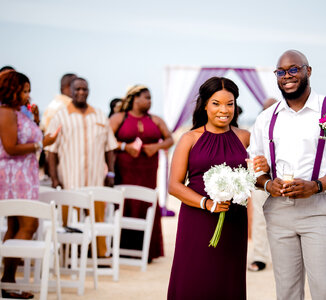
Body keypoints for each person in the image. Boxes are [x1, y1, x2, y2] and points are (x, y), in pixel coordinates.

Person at [249, 50, 326, 300]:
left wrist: (315, 186)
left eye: (293, 69)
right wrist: (267, 184)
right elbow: (254, 166)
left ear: (308, 71)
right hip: (278, 212)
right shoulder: (266, 119)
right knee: (286, 291)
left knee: (324, 290)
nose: (287, 76)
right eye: (281, 72)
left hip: (319, 211)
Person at [167, 77, 251, 299]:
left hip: (234, 221)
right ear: (204, 104)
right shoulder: (189, 139)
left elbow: (260, 173)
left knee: (227, 279)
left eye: (229, 103)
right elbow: (174, 185)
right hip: (197, 220)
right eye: (216, 103)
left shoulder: (244, 138)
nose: (224, 110)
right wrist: (207, 203)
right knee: (195, 278)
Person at [0, 70, 59, 299]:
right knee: (29, 224)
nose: (27, 95)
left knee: (15, 227)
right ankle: (8, 279)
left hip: (25, 175)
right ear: (12, 90)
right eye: (24, 91)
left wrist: (34, 121)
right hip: (14, 176)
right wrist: (41, 143)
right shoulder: (5, 113)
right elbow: (11, 147)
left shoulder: (18, 112)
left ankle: (8, 281)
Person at [45, 77, 117, 258]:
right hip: (70, 181)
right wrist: (54, 178)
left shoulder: (100, 115)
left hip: (96, 181)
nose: (81, 92)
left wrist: (110, 172)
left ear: (89, 90)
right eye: (77, 89)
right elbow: (51, 151)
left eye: (84, 89)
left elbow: (110, 148)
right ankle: (69, 256)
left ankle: (98, 255)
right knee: (69, 222)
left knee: (97, 219)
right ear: (70, 90)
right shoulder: (60, 116)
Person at [109, 85, 173, 262]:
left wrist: (156, 146)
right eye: (147, 97)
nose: (150, 101)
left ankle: (148, 252)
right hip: (125, 170)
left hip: (148, 171)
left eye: (151, 98)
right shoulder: (119, 118)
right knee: (126, 205)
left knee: (147, 204)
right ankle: (123, 249)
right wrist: (125, 147)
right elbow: (106, 140)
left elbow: (170, 139)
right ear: (134, 98)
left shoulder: (156, 119)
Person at [248, 97, 278, 272]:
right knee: (259, 218)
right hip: (261, 178)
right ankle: (260, 257)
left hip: (285, 179)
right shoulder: (257, 128)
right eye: (267, 108)